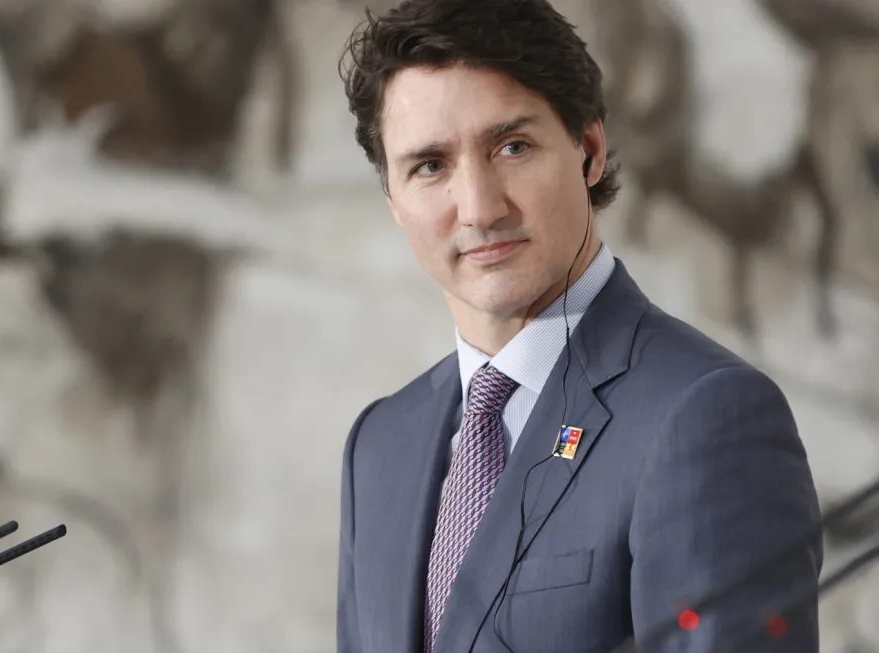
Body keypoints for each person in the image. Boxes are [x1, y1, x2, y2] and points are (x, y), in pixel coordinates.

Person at [333, 1, 824, 652]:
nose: (478, 208)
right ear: (394, 201)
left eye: (511, 146)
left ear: (588, 149)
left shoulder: (707, 415)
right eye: (430, 166)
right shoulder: (379, 445)